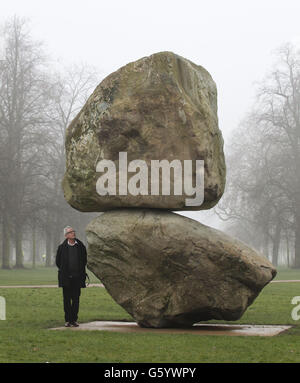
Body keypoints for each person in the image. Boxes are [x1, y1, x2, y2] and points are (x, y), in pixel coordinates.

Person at [55, 226, 87, 327]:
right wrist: (65, 272)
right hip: (66, 278)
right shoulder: (61, 247)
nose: (73, 233)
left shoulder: (81, 246)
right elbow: (58, 262)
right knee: (67, 299)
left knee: (76, 299)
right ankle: (68, 320)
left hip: (78, 277)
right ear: (66, 235)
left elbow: (84, 260)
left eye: (73, 231)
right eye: (70, 232)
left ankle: (74, 319)